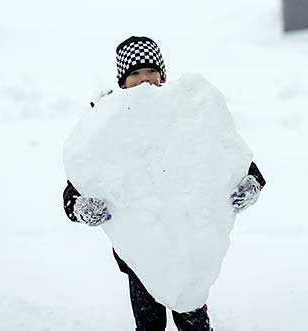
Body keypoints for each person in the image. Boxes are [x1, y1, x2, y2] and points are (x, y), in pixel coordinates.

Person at [63, 36, 266, 331]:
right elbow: (78, 182)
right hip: (140, 251)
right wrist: (80, 206)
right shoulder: (107, 124)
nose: (144, 79)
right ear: (122, 82)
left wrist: (251, 182)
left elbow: (222, 151)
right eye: (134, 73)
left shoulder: (184, 112)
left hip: (188, 240)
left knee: (192, 315)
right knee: (149, 322)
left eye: (150, 71)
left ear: (162, 75)